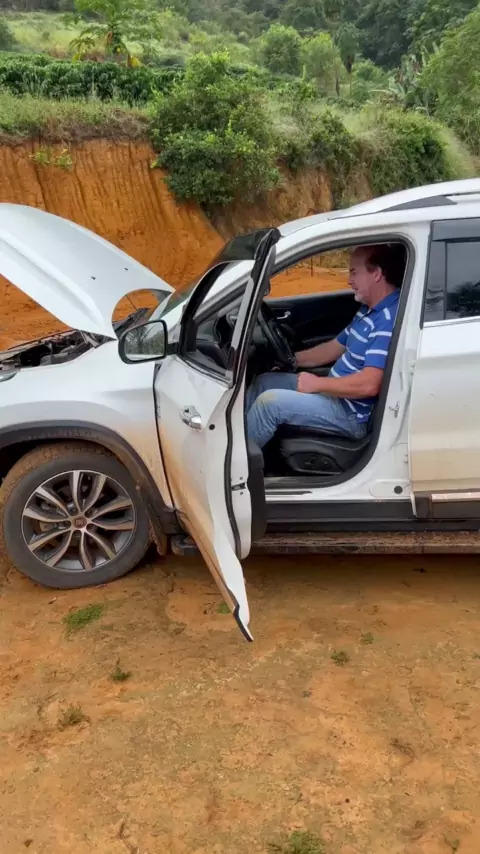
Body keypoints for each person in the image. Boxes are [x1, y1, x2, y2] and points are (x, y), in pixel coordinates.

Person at [246, 243, 406, 449]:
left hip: (350, 413)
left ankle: (235, 461)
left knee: (269, 404)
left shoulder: (387, 320)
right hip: (335, 394)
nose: (349, 281)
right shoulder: (368, 310)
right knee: (264, 382)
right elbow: (333, 348)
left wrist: (317, 384)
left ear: (376, 274)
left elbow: (369, 384)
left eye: (354, 273)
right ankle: (239, 435)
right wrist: (291, 359)